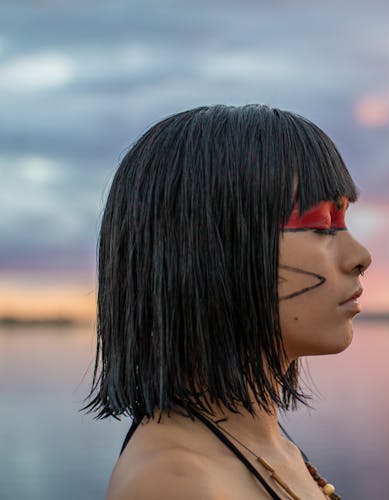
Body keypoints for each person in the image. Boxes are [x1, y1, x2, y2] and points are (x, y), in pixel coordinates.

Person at [83, 104, 373, 499]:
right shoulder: (176, 482)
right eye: (321, 225)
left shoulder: (265, 448)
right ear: (210, 249)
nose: (360, 256)